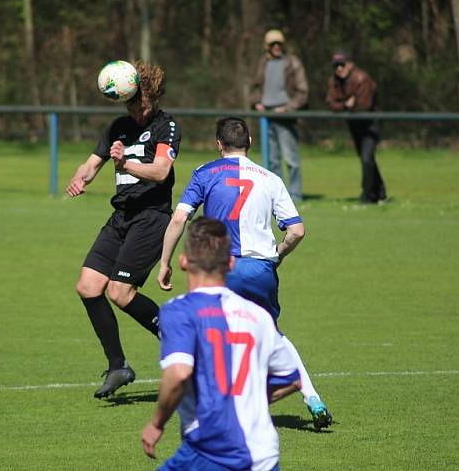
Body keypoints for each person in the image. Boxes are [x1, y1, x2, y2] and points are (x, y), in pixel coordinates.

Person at [156, 117, 333, 431]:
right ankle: (312, 398)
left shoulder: (204, 173)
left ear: (218, 145)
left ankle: (214, 409)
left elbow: (178, 219)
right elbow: (297, 231)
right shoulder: (270, 178)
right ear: (250, 142)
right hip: (262, 268)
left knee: (210, 336)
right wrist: (275, 256)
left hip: (222, 269)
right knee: (272, 333)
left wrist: (165, 262)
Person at [142, 217, 302, 470]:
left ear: (183, 262)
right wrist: (244, 402)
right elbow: (292, 378)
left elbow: (179, 373)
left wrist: (156, 424)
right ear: (230, 263)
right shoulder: (259, 316)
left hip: (213, 450)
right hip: (263, 455)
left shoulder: (179, 311)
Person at [66, 60, 181, 399]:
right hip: (121, 217)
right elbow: (91, 163)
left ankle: (178, 341)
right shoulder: (118, 125)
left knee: (120, 293)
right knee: (88, 286)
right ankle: (118, 366)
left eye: (139, 104)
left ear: (152, 97)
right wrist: (80, 177)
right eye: (129, 105)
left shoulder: (166, 126)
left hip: (151, 218)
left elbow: (161, 172)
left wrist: (125, 162)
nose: (135, 111)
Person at [250, 28, 309, 202]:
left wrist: (287, 108)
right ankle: (276, 195)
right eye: (272, 44)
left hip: (285, 117)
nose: (276, 47)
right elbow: (254, 87)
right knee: (271, 161)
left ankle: (296, 195)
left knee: (291, 159)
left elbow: (303, 91)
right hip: (266, 117)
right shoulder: (262, 62)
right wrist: (256, 103)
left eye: (279, 44)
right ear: (266, 46)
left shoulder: (292, 62)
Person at [325, 50, 387, 204]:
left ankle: (367, 195)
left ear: (350, 64)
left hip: (370, 123)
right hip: (354, 124)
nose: (339, 68)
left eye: (342, 64)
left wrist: (344, 104)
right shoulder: (333, 81)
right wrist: (346, 103)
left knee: (367, 159)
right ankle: (380, 192)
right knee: (367, 159)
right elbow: (330, 103)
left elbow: (363, 106)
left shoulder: (362, 78)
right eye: (336, 66)